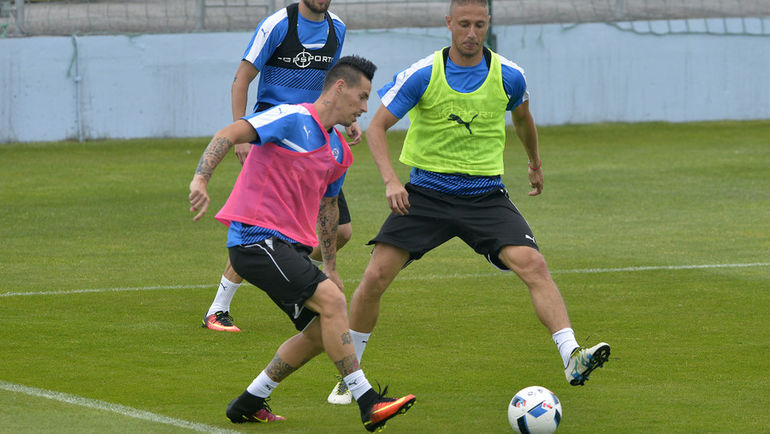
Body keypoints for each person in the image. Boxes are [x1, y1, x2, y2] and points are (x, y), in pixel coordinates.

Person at [328, 0, 611, 399]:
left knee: (533, 264)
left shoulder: (509, 75)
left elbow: (523, 118)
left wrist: (534, 162)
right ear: (448, 24)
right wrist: (392, 181)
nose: (472, 33)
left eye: (479, 24)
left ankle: (571, 355)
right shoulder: (424, 74)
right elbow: (376, 128)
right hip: (426, 194)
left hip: (484, 196)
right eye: (464, 24)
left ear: (488, 23)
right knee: (375, 277)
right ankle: (350, 376)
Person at [188, 56, 416, 431]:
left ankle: (250, 400)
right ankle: (368, 402)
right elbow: (227, 135)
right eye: (361, 97)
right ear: (339, 88)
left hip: (288, 249)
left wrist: (330, 265)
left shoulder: (339, 152)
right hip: (254, 240)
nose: (364, 107)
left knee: (319, 330)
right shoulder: (290, 118)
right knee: (332, 302)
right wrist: (201, 180)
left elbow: (328, 208)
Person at [202, 0, 359, 338]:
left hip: (316, 141)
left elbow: (332, 84)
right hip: (275, 138)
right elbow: (241, 79)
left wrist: (343, 120)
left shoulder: (338, 28)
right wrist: (241, 134)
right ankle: (219, 307)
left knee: (341, 231)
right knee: (260, 230)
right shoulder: (277, 25)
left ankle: (290, 273)